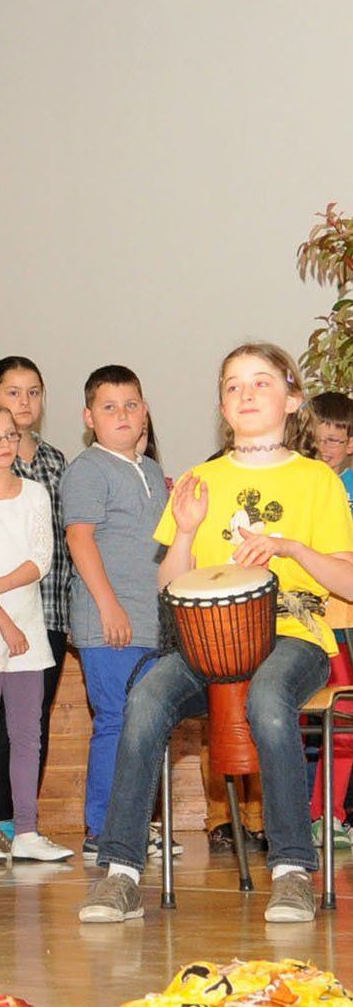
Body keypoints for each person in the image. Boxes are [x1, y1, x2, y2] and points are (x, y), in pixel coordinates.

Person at [79, 342, 353, 926]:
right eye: (233, 385)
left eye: (261, 383)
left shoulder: (317, 481)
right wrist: (183, 533)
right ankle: (121, 872)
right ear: (222, 405)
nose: (247, 394)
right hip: (207, 642)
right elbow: (170, 584)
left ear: (292, 398)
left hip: (294, 635)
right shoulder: (202, 477)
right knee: (145, 698)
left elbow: (349, 583)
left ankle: (292, 871)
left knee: (269, 700)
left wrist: (290, 548)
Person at [61, 366, 168, 855]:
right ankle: (103, 829)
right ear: (89, 417)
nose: (122, 415)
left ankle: (134, 823)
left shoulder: (148, 470)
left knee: (148, 724)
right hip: (110, 622)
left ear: (145, 410)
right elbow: (79, 539)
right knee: (116, 721)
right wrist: (109, 607)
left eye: (131, 404)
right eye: (109, 407)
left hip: (153, 621)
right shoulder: (88, 468)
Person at [0, 403, 71, 865]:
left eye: (9, 436)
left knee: (28, 733)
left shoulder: (36, 494)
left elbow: (40, 559)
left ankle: (26, 830)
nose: (4, 445)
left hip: (28, 624)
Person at [0, 356, 70, 848]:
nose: (24, 402)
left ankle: (23, 823)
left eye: (34, 392)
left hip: (48, 611)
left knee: (32, 721)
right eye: (13, 392)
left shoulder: (56, 462)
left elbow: (61, 542)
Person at [308, 389, 353, 851]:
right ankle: (324, 815)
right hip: (324, 621)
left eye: (335, 442)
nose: (325, 450)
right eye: (318, 440)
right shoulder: (305, 485)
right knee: (339, 715)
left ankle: (329, 814)